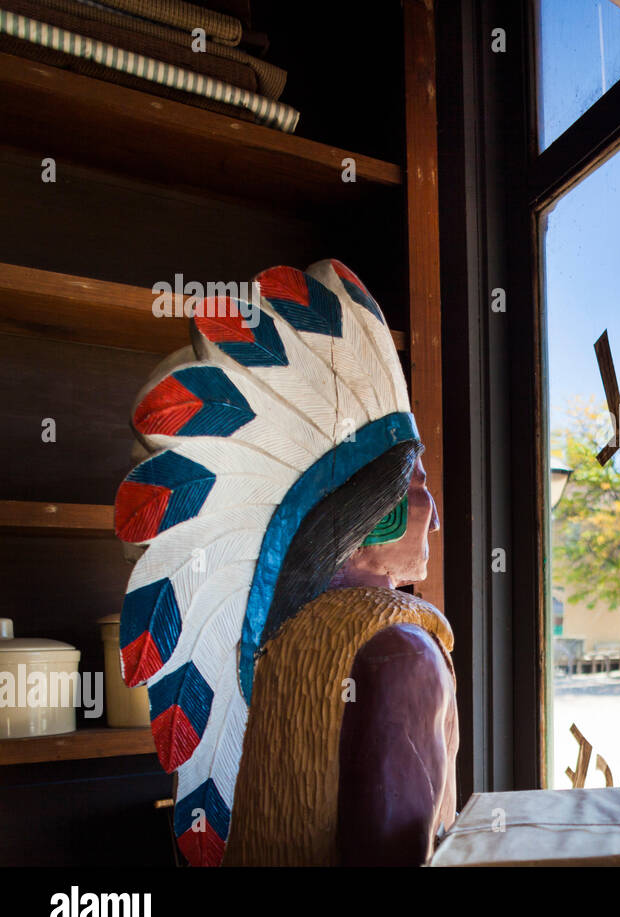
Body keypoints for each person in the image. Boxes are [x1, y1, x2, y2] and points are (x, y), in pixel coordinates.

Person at [115, 260, 456, 865]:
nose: (435, 513)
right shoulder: (402, 649)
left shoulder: (288, 639)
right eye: (418, 483)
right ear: (372, 516)